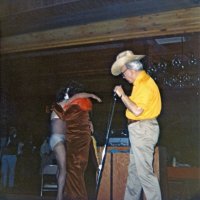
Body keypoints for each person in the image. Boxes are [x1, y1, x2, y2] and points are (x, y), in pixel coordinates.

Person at [111, 50, 162, 200]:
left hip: (143, 128)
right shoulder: (140, 84)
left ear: (131, 70)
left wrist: (122, 94)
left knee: (144, 173)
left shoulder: (145, 83)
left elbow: (137, 110)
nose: (124, 77)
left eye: (123, 73)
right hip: (139, 129)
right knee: (135, 172)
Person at [50, 82, 101, 200]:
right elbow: (77, 97)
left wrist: (87, 122)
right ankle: (59, 197)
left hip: (59, 139)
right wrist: (92, 95)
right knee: (64, 169)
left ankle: (61, 195)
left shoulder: (64, 106)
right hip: (57, 139)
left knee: (63, 169)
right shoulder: (62, 104)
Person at [0, 127, 20, 191]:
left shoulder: (16, 138)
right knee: (4, 171)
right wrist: (1, 155)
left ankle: (10, 186)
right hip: (5, 156)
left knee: (11, 171)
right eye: (10, 130)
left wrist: (12, 137)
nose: (10, 132)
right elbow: (2, 147)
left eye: (12, 131)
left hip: (12, 155)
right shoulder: (5, 138)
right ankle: (4, 185)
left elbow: (16, 144)